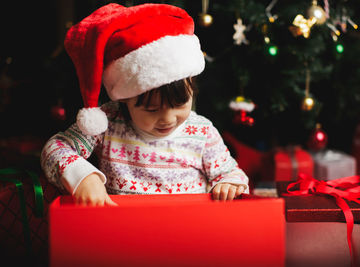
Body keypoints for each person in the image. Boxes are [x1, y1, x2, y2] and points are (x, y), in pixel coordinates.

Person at [40, 3, 249, 206]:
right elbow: (55, 148)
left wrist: (230, 184)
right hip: (125, 230)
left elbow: (231, 173)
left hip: (188, 231)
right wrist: (83, 176)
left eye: (180, 103)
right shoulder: (109, 123)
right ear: (125, 98)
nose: (168, 118)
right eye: (152, 109)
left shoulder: (202, 132)